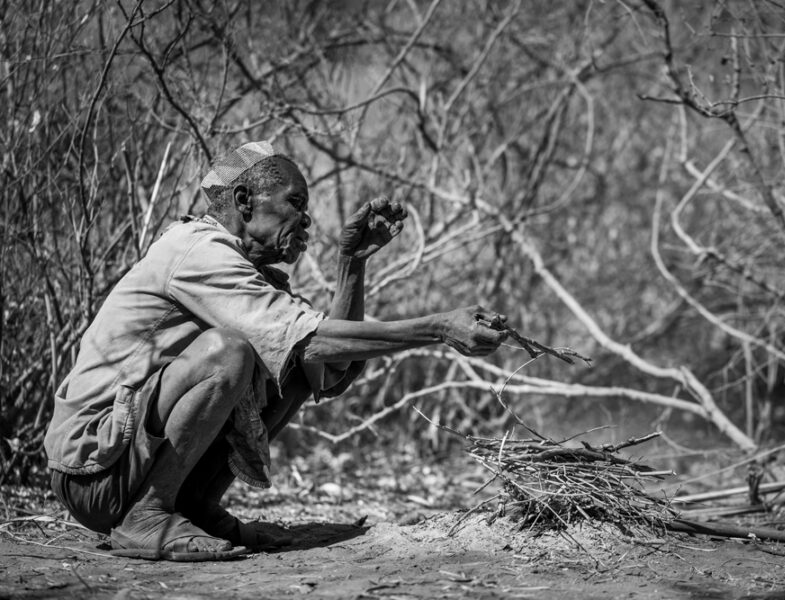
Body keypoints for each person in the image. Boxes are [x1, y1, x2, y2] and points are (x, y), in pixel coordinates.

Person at [43, 141, 506, 561]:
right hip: (94, 470)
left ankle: (196, 508)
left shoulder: (247, 271)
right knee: (229, 353)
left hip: (122, 461)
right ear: (245, 202)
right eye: (295, 203)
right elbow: (313, 338)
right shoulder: (196, 250)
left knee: (295, 363)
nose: (305, 220)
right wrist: (438, 327)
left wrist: (351, 266)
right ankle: (147, 516)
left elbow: (321, 362)